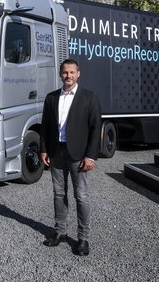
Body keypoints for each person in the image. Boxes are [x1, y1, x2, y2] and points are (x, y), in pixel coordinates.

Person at [40, 58, 102, 256]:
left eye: (72, 72)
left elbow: (96, 129)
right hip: (56, 153)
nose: (69, 76)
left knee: (81, 196)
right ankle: (60, 232)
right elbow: (45, 126)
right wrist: (44, 150)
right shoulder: (51, 98)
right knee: (59, 194)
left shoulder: (89, 97)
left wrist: (90, 156)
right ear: (60, 74)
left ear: (78, 74)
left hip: (78, 155)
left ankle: (83, 238)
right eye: (65, 72)